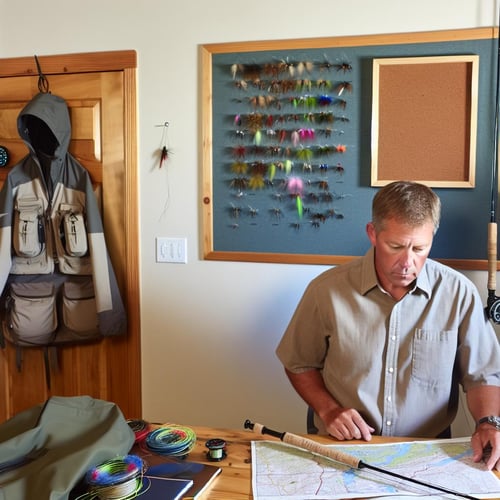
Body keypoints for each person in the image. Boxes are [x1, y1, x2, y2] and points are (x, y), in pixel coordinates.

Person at [276, 180, 500, 471]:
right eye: (395, 246)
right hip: (343, 448)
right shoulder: (326, 291)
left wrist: (488, 423)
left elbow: (482, 375)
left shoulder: (459, 292)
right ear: (373, 233)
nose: (407, 262)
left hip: (426, 452)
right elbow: (298, 363)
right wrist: (329, 410)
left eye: (420, 248)